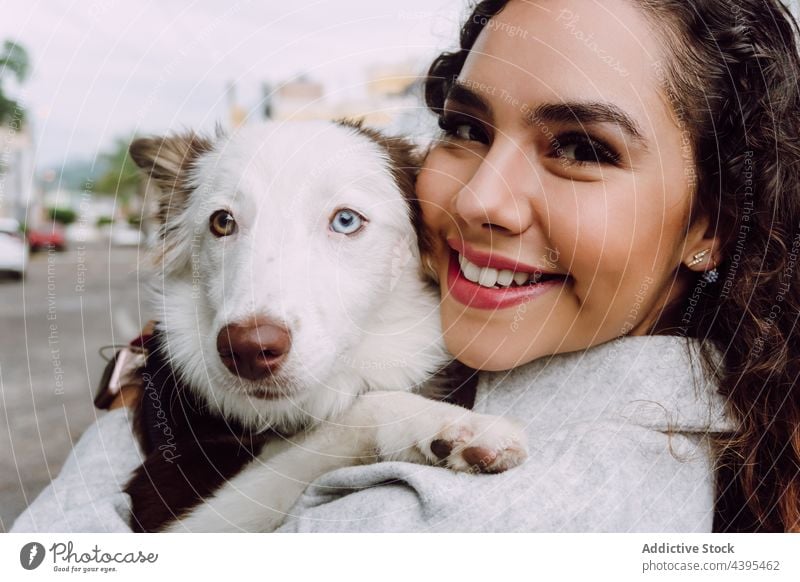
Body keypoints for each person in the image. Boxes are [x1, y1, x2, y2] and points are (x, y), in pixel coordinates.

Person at [13, 0, 800, 532]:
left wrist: (124, 416)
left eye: (583, 148)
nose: (479, 199)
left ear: (714, 223)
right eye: (465, 127)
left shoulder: (467, 516)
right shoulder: (573, 382)